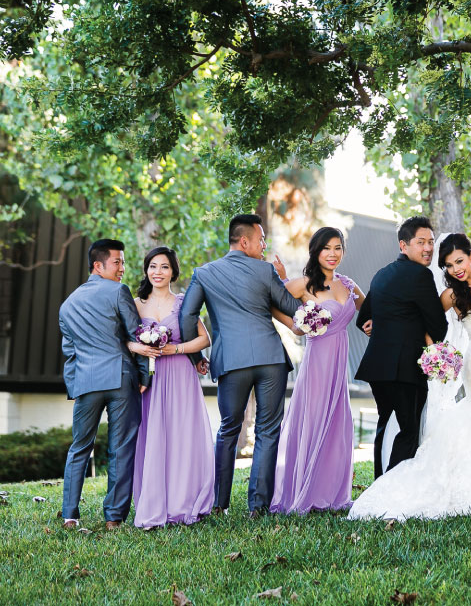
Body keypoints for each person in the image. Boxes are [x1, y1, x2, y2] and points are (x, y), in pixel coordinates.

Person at [348, 233, 471, 520]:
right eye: (448, 265)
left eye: (459, 261)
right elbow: (427, 322)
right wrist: (434, 352)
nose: (455, 269)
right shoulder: (451, 294)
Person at [179, 214, 302, 517]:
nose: (263, 246)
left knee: (229, 429)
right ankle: (257, 507)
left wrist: (196, 358)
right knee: (267, 431)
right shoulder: (264, 271)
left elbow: (186, 318)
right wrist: (284, 281)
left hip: (231, 361)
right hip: (270, 358)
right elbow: (292, 309)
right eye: (261, 240)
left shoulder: (204, 273)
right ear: (244, 241)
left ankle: (220, 504)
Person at [59, 239, 155, 530]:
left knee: (79, 447)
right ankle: (114, 518)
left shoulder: (67, 304)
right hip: (120, 378)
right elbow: (135, 334)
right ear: (98, 265)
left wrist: (75, 385)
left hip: (86, 383)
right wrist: (144, 376)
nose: (122, 268)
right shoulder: (118, 291)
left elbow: (70, 352)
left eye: (123, 262)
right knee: (121, 447)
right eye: (117, 262)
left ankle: (69, 515)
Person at [270, 227, 365, 514]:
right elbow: (272, 303)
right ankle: (305, 490)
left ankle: (331, 492)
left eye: (338, 248)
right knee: (313, 418)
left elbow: (369, 308)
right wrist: (296, 326)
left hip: (340, 362)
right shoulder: (304, 285)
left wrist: (370, 323)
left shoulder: (348, 285)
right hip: (317, 362)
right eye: (327, 248)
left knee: (338, 423)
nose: (333, 254)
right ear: (316, 251)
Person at [355, 216, 448, 478]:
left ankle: (378, 485)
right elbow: (438, 326)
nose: (428, 248)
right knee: (408, 430)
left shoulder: (382, 273)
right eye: (421, 242)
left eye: (430, 242)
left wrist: (381, 323)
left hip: (377, 366)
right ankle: (393, 492)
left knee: (384, 427)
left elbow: (363, 319)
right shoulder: (421, 275)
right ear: (403, 245)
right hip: (406, 367)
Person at [132, 246, 214, 529]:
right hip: (149, 383)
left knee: (181, 436)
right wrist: (140, 348)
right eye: (153, 266)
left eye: (164, 267)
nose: (158, 272)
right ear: (146, 270)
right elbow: (123, 340)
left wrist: (175, 350)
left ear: (173, 272)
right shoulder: (135, 304)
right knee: (152, 435)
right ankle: (153, 501)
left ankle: (182, 502)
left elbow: (204, 339)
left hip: (179, 376)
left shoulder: (182, 303)